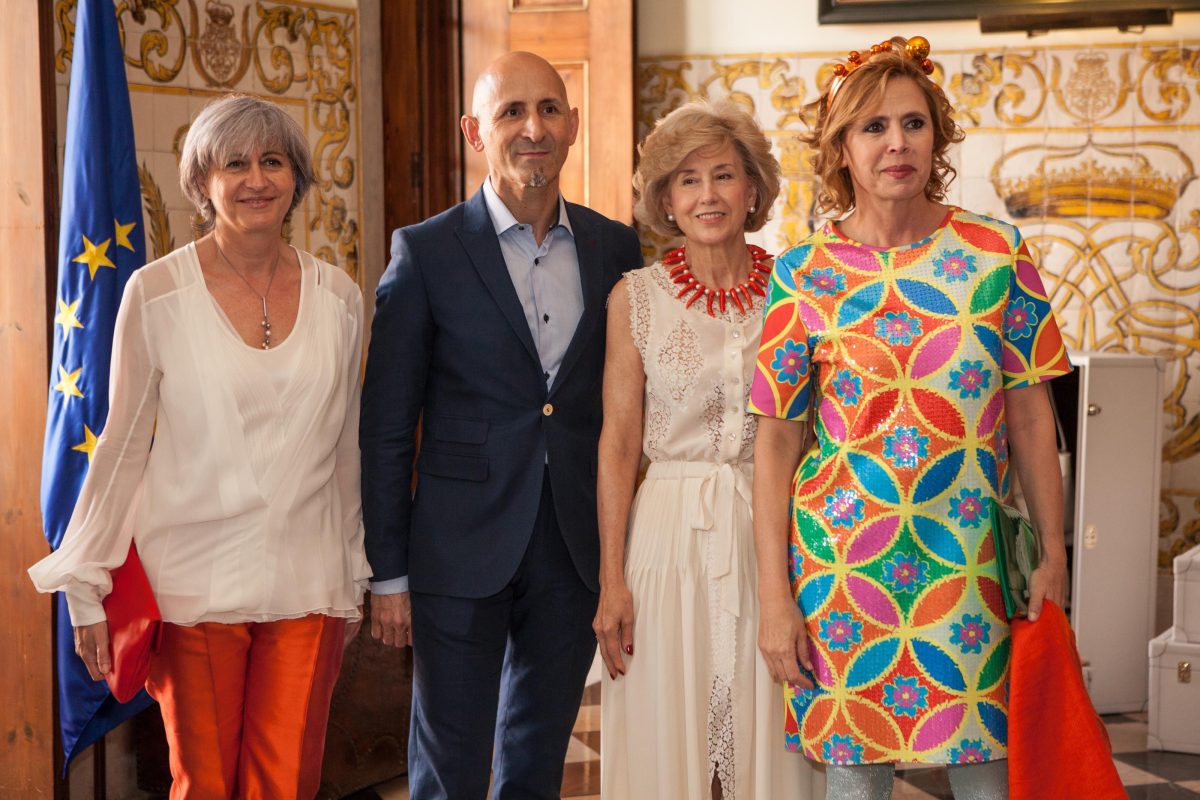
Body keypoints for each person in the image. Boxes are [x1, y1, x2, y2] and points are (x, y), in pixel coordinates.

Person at [748, 37, 1073, 799]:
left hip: (973, 568)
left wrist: (1052, 553)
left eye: (914, 124)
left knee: (993, 782)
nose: (897, 143)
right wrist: (774, 597)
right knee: (854, 786)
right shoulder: (802, 274)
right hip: (840, 571)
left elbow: (1030, 416)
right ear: (840, 150)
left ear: (938, 136)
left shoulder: (997, 254)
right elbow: (775, 443)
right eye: (872, 127)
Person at [28, 93, 369, 798]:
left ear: (296, 178)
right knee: (205, 785)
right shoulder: (155, 294)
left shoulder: (341, 298)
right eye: (234, 163)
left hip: (309, 582)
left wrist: (354, 568)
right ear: (202, 183)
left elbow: (344, 448)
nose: (256, 179)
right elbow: (120, 446)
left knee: (288, 786)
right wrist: (86, 585)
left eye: (272, 161)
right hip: (193, 583)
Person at [360, 51, 643, 799]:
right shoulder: (423, 253)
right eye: (511, 112)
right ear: (474, 132)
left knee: (535, 761)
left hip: (570, 545)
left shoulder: (616, 248)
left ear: (574, 125)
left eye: (549, 109)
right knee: (449, 770)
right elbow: (387, 428)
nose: (533, 128)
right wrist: (388, 575)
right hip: (457, 548)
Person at [594, 100, 825, 800]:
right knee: (676, 729)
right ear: (666, 199)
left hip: (773, 532)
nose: (707, 196)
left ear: (752, 190)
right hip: (666, 536)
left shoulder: (799, 287)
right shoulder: (634, 297)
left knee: (766, 721)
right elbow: (618, 443)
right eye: (687, 180)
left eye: (723, 176)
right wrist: (611, 580)